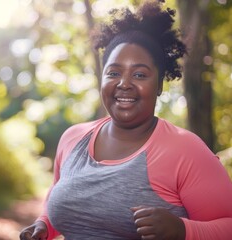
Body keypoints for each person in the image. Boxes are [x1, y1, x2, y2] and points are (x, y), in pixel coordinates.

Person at [20, 0, 232, 239]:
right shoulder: (73, 138)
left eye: (139, 74)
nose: (124, 84)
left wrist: (184, 231)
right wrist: (44, 226)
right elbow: (58, 199)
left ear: (160, 85)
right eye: (114, 73)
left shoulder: (186, 150)